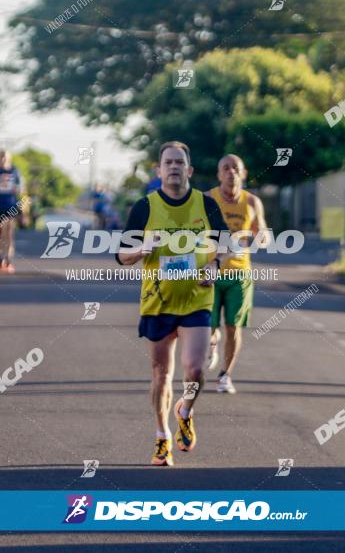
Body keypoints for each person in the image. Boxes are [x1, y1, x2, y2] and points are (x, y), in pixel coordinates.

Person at [116, 141, 230, 466]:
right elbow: (120, 257)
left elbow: (227, 245)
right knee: (160, 374)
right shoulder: (144, 207)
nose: (175, 167)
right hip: (158, 302)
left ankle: (185, 409)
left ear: (189, 170)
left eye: (180, 162)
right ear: (159, 170)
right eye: (169, 162)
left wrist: (214, 265)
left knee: (194, 369)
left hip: (196, 298)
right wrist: (141, 250)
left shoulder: (206, 205)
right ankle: (162, 436)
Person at [207, 155, 267, 394]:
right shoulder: (207, 199)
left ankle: (225, 374)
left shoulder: (252, 202)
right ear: (219, 174)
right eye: (225, 168)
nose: (231, 172)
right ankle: (211, 344)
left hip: (240, 274)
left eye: (235, 168)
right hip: (210, 270)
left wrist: (262, 237)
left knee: (233, 327)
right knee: (207, 327)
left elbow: (261, 231)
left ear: (243, 173)